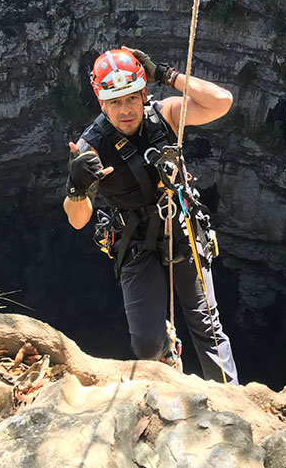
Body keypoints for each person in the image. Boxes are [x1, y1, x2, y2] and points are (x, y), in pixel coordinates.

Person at [63, 47, 239, 384]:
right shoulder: (91, 147)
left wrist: (166, 75)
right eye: (115, 102)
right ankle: (166, 358)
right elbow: (77, 219)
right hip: (135, 241)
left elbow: (221, 102)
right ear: (102, 103)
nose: (126, 110)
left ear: (144, 93)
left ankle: (231, 401)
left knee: (207, 325)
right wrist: (77, 185)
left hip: (182, 229)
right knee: (146, 345)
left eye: (131, 98)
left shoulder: (164, 115)